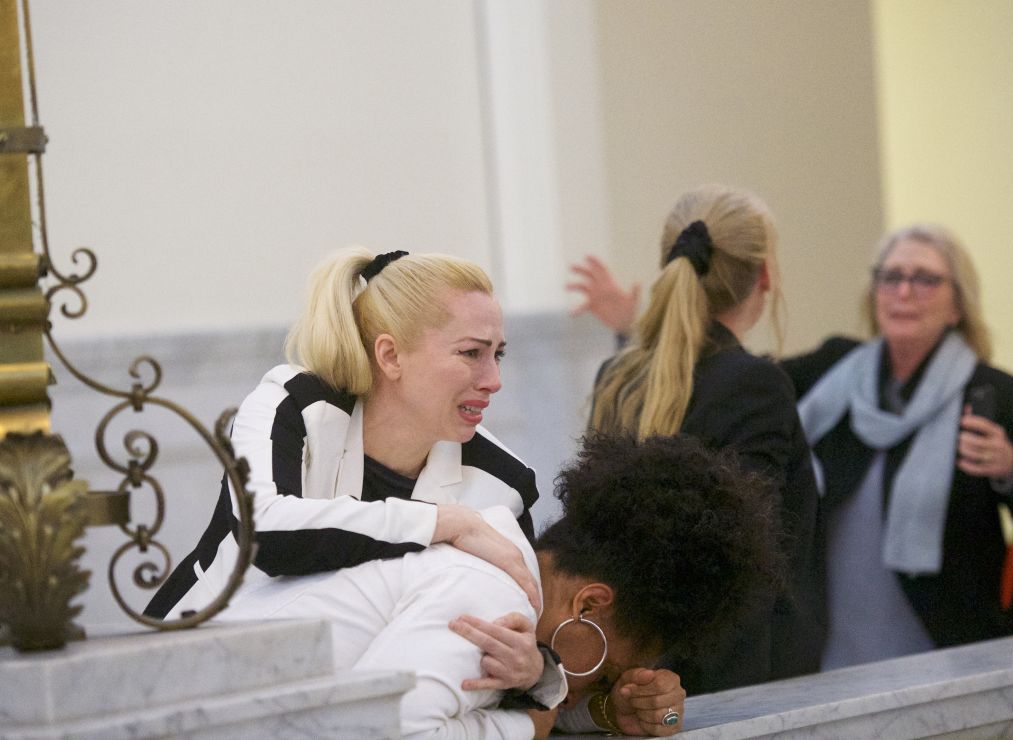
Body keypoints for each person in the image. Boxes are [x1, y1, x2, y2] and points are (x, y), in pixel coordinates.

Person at [145, 248, 554, 702]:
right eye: (471, 353)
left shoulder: (505, 481)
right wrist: (444, 523)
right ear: (391, 356)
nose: (493, 379)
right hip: (180, 673)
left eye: (497, 354)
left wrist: (533, 671)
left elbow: (515, 630)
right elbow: (264, 535)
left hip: (331, 701)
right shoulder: (294, 403)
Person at [218, 433, 784, 738]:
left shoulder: (513, 578)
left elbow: (503, 694)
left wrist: (616, 715)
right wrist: (527, 725)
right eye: (608, 672)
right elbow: (376, 735)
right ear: (589, 604)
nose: (601, 686)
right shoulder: (491, 596)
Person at [780, 223, 1013, 668]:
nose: (904, 292)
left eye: (925, 279)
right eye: (891, 277)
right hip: (833, 651)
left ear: (958, 305)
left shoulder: (992, 393)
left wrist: (1009, 467)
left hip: (952, 649)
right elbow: (747, 388)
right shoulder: (832, 373)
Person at [581, 184, 824, 694]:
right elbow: (743, 569)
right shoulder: (752, 384)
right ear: (764, 276)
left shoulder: (619, 377)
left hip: (635, 678)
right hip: (740, 689)